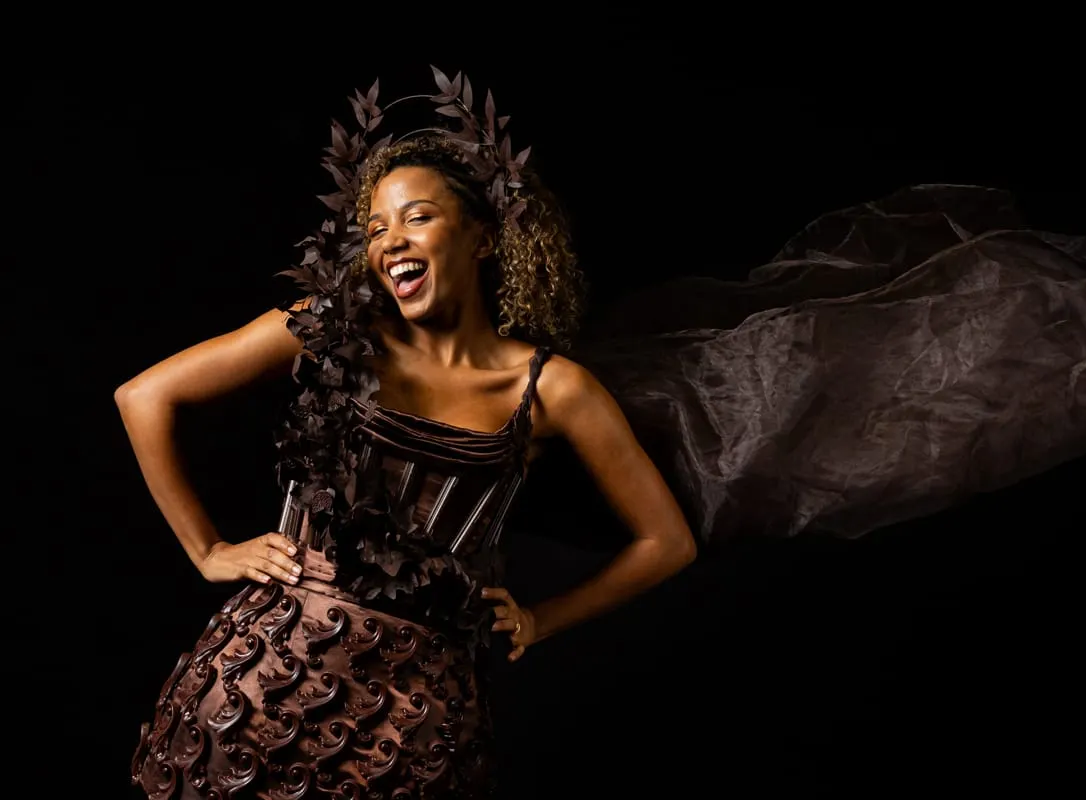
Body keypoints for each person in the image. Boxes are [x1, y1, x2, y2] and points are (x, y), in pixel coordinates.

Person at [122, 75, 697, 798]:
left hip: (417, 715)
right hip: (265, 678)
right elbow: (144, 396)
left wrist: (539, 620)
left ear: (484, 236)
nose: (391, 240)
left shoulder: (552, 391)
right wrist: (207, 550)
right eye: (375, 228)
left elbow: (667, 542)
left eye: (416, 217)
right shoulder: (326, 330)